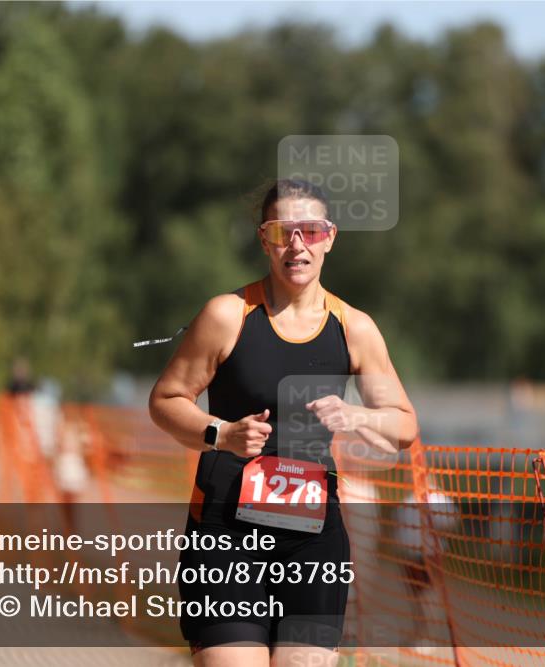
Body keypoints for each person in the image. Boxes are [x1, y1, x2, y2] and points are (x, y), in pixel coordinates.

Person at [148, 179, 419, 666]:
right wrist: (221, 434)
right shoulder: (228, 316)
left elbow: (403, 426)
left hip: (312, 543)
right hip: (226, 535)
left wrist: (355, 414)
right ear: (264, 240)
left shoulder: (353, 327)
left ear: (329, 238)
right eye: (282, 232)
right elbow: (165, 400)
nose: (297, 245)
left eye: (310, 232)